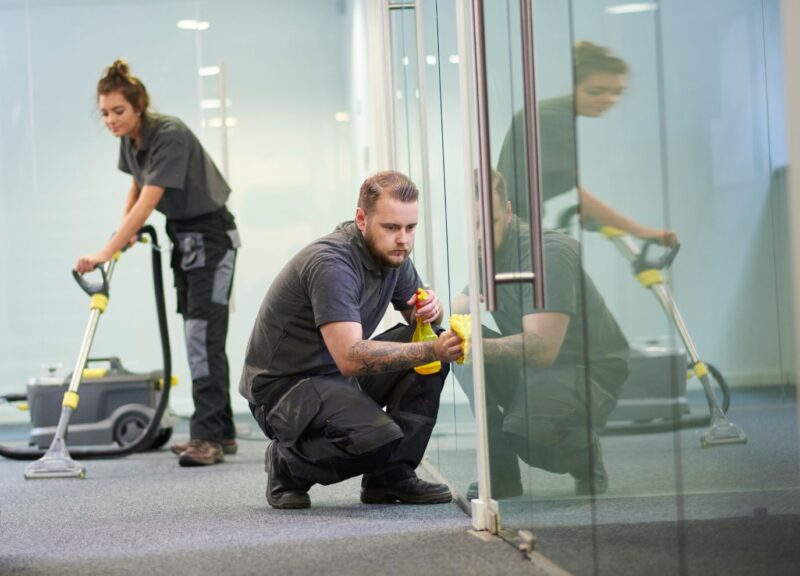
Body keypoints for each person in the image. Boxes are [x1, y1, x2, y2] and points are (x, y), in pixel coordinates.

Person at [239, 171, 466, 509]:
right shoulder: (332, 263)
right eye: (391, 228)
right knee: (379, 436)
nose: (403, 239)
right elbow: (349, 356)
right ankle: (287, 464)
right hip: (283, 392)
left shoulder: (393, 253)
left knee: (428, 358)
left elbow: (417, 321)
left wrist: (432, 309)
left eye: (410, 228)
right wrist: (432, 347)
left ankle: (390, 477)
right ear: (362, 219)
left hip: (333, 379)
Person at [75, 59, 240, 467]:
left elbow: (150, 199)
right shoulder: (131, 140)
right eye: (105, 114)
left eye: (119, 112)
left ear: (139, 106)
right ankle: (221, 431)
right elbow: (136, 182)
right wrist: (123, 231)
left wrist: (106, 249)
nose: (111, 120)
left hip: (213, 239)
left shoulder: (169, 134)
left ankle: (208, 438)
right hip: (184, 239)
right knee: (197, 334)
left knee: (202, 337)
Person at [455, 170, 629, 500]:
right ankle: (501, 477)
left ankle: (585, 454)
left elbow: (543, 349)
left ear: (507, 212)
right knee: (462, 345)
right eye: (472, 225)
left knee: (527, 434)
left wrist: (470, 346)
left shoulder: (548, 255)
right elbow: (462, 303)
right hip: (533, 369)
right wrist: (459, 316)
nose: (479, 236)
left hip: (587, 372)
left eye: (488, 223)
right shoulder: (488, 247)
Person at [497, 41, 678, 246]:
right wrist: (640, 231)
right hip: (513, 236)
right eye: (595, 92)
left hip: (520, 229)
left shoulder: (557, 113)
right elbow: (575, 192)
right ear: (574, 86)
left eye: (617, 92)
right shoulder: (551, 117)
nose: (608, 100)